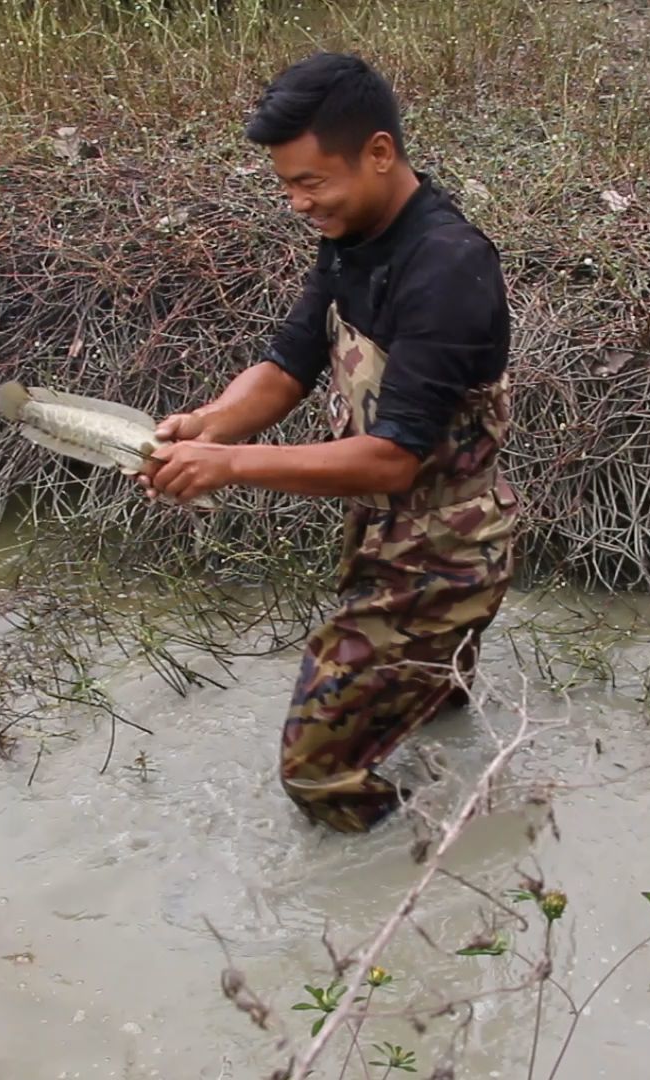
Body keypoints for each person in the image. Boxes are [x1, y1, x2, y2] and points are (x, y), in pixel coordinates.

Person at [139, 52, 520, 833]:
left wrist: (231, 465)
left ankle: (418, 884)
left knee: (315, 770)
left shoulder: (448, 266)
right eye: (286, 185)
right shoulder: (353, 237)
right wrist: (210, 425)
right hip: (389, 535)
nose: (297, 202)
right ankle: (479, 817)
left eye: (310, 182)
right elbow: (288, 365)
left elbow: (391, 456)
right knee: (439, 706)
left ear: (379, 153)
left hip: (446, 557)